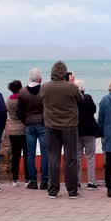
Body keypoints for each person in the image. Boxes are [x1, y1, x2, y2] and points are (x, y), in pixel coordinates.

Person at [41, 60, 83, 199]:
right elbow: (81, 100)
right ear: (65, 73)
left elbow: (40, 100)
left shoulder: (45, 87)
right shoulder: (71, 88)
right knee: (70, 159)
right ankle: (72, 191)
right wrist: (72, 84)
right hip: (69, 126)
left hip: (51, 126)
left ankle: (53, 190)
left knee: (53, 158)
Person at [18, 68, 48, 189]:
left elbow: (19, 111)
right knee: (45, 153)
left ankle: (33, 180)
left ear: (30, 78)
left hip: (29, 124)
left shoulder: (23, 92)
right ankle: (45, 181)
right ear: (40, 79)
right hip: (42, 124)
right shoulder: (43, 91)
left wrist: (25, 121)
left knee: (30, 154)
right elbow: (47, 108)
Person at [76, 79, 100, 190]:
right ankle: (91, 182)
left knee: (78, 157)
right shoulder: (88, 98)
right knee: (90, 157)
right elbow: (94, 110)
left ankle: (77, 182)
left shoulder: (73, 100)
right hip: (89, 131)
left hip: (76, 130)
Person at [4, 80, 27, 187]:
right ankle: (27, 179)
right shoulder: (23, 99)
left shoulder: (8, 100)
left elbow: (6, 111)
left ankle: (14, 180)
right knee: (27, 155)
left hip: (13, 129)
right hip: (24, 129)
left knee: (15, 155)